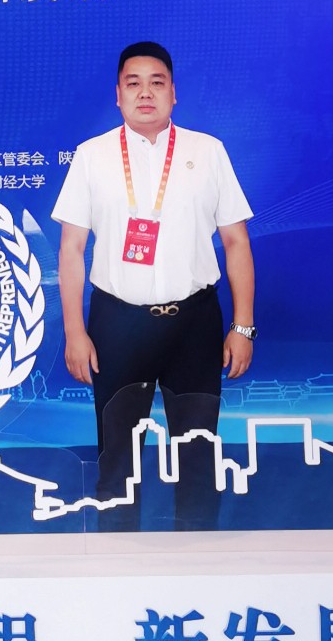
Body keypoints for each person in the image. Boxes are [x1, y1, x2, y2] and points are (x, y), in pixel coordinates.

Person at [52, 41, 256, 531]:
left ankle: (198, 565)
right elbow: (72, 250)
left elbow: (236, 242)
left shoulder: (208, 152)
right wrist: (75, 332)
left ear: (173, 93)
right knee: (117, 463)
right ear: (118, 95)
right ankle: (117, 567)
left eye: (156, 83)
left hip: (194, 323)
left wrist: (243, 327)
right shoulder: (92, 156)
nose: (145, 93)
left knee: (198, 459)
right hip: (117, 324)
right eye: (134, 83)